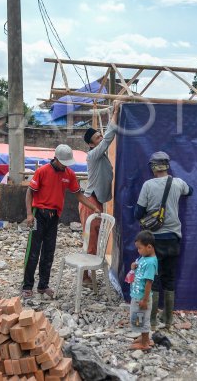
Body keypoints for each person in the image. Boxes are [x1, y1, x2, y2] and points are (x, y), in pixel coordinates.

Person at [22, 144, 100, 299]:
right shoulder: (42, 171)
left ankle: (43, 286)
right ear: (56, 158)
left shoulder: (69, 174)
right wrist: (29, 214)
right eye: (63, 162)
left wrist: (94, 207)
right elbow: (29, 192)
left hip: (54, 216)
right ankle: (27, 286)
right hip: (39, 214)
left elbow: (79, 195)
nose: (65, 165)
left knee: (49, 252)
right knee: (33, 251)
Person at [134, 151, 193, 329]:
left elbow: (137, 213)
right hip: (173, 238)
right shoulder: (178, 183)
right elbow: (190, 191)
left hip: (154, 240)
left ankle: (151, 321)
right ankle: (168, 320)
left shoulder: (148, 185)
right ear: (167, 166)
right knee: (169, 278)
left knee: (152, 278)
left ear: (153, 167)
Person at [81, 100, 121, 284]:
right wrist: (114, 113)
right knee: (91, 239)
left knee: (93, 238)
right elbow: (108, 139)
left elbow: (106, 138)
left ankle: (88, 273)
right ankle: (86, 275)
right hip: (90, 202)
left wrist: (113, 111)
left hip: (95, 200)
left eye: (99, 136)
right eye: (97, 138)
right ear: (91, 144)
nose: (101, 138)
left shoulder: (98, 154)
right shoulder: (93, 154)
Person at [129, 230, 158, 351]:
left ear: (149, 247)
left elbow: (148, 282)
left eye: (139, 248)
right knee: (138, 317)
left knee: (143, 318)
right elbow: (139, 268)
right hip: (137, 295)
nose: (138, 251)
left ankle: (145, 343)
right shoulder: (144, 257)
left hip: (142, 297)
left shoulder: (151, 263)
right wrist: (133, 267)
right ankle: (143, 337)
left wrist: (145, 300)